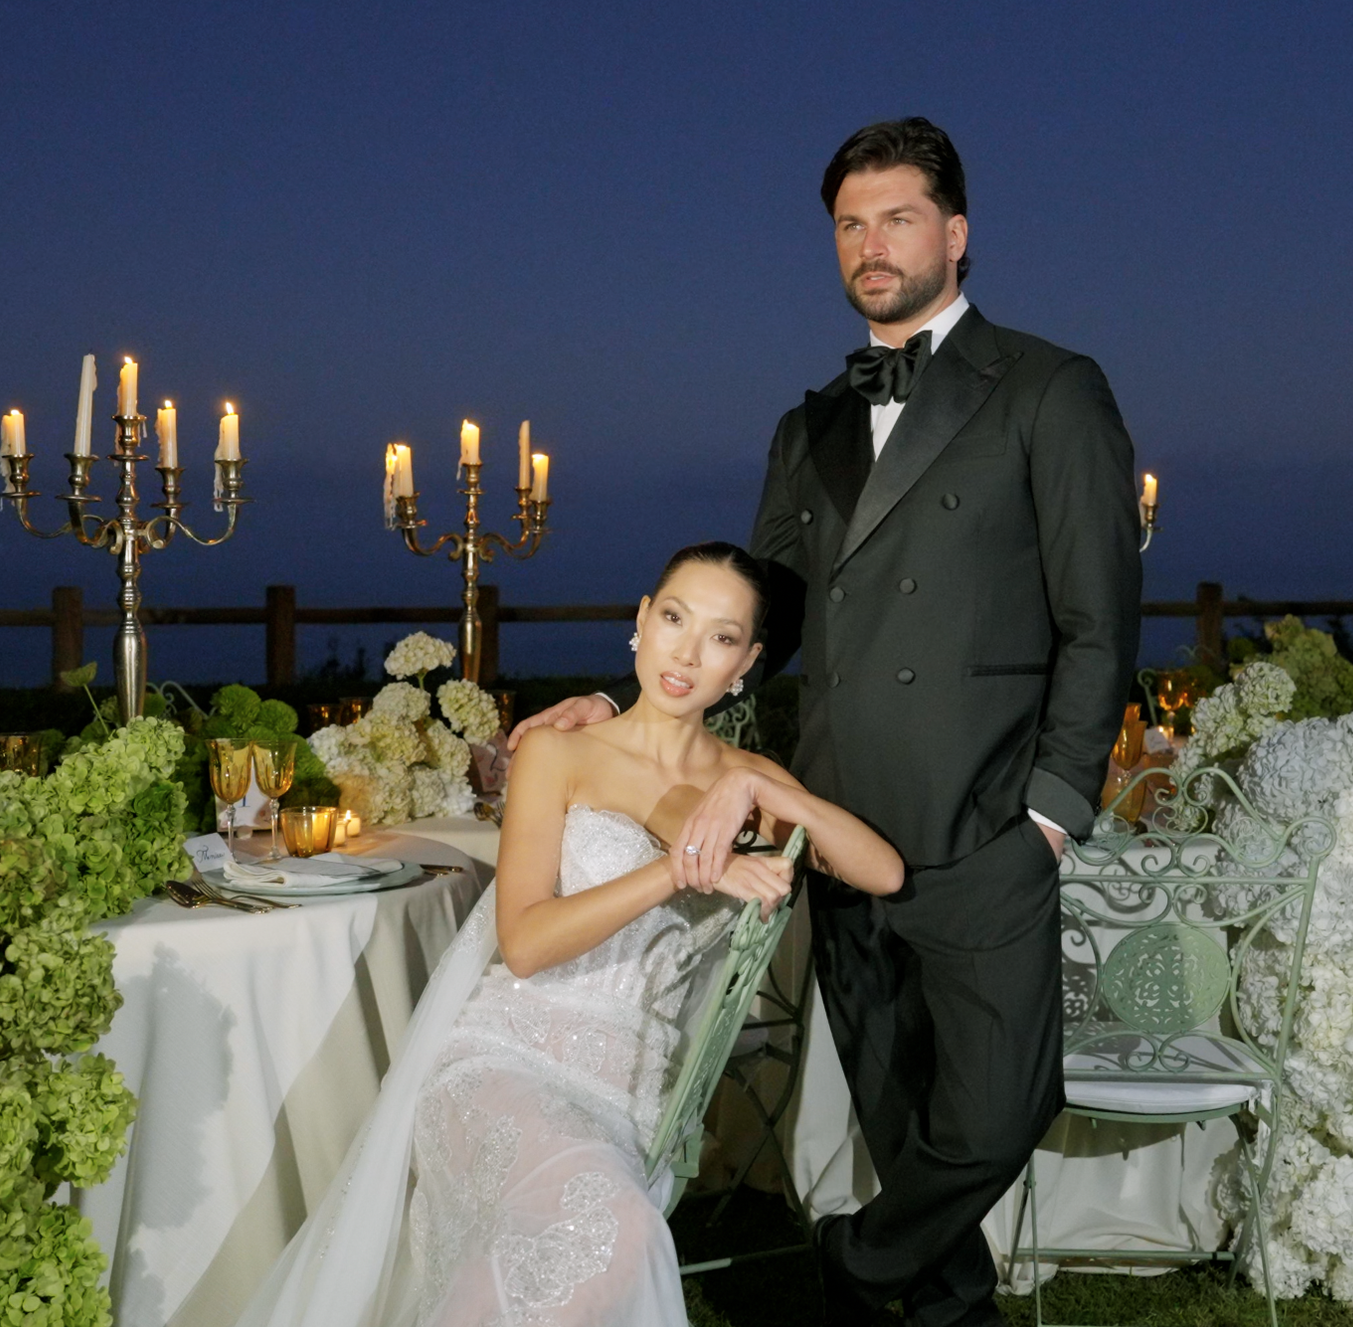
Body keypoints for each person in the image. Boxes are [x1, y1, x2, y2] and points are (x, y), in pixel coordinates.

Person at [514, 118, 1140, 1326]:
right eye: (850, 224)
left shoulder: (1052, 391)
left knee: (998, 1110)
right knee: (903, 1119)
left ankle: (852, 1268)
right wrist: (630, 701)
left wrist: (1053, 818)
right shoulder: (807, 429)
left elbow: (1100, 621)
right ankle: (939, 1314)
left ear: (955, 235)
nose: (871, 243)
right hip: (839, 822)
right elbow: (761, 627)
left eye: (898, 217)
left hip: (985, 825)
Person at [242, 542, 905, 1327]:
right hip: (505, 1063)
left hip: (628, 1101)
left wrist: (757, 784)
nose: (687, 653)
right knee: (612, 1233)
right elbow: (524, 941)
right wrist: (679, 870)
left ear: (749, 662)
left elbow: (882, 872)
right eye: (673, 618)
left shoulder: (742, 783)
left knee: (571, 1258)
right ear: (640, 621)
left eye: (722, 638)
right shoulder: (560, 751)